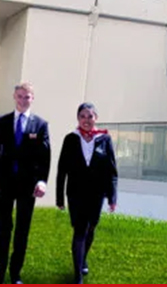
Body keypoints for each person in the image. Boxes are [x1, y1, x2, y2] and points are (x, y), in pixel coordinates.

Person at [0, 82, 51, 284]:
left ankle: (15, 272)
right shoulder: (2, 121)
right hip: (4, 182)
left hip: (27, 186)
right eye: (20, 96)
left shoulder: (40, 125)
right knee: (4, 227)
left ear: (32, 98)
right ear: (14, 97)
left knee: (22, 229)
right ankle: (0, 268)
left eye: (27, 97)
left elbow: (44, 157)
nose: (23, 100)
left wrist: (42, 181)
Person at [55, 103, 118, 284]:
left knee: (91, 228)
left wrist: (112, 197)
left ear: (96, 118)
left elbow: (112, 171)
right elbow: (62, 170)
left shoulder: (105, 139)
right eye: (82, 116)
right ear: (78, 118)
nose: (86, 120)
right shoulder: (70, 139)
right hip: (75, 194)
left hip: (97, 194)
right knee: (80, 230)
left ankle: (83, 259)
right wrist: (60, 197)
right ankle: (78, 276)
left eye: (90, 116)